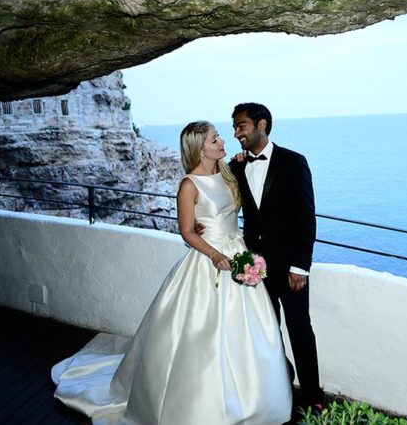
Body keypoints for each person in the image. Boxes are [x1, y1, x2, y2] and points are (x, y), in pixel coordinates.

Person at [51, 121, 292, 424]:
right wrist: (216, 254)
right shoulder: (189, 184)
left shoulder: (229, 173)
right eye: (215, 139)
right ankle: (198, 403)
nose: (222, 141)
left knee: (251, 333)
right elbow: (187, 232)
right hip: (209, 261)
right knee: (202, 335)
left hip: (238, 254)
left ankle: (251, 398)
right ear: (200, 148)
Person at [228, 102, 324, 411]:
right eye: (234, 127)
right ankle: (278, 390)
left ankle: (313, 397)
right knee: (266, 333)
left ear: (262, 125)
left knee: (300, 330)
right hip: (255, 267)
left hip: (290, 268)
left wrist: (300, 266)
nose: (235, 133)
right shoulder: (237, 166)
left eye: (241, 126)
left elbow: (306, 218)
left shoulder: (294, 162)